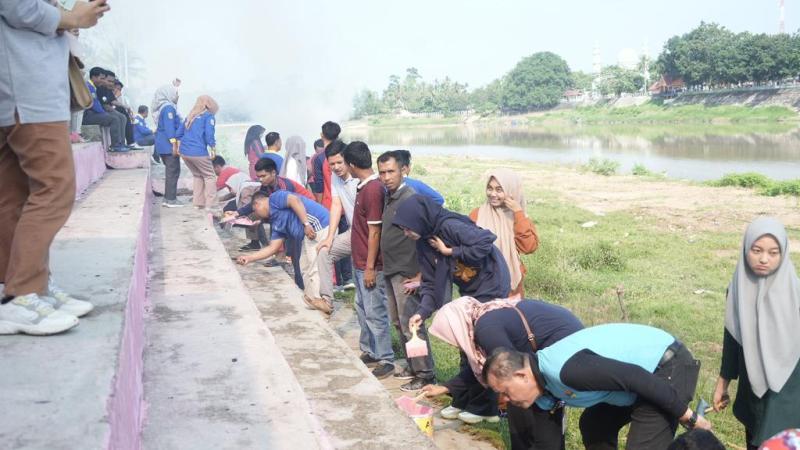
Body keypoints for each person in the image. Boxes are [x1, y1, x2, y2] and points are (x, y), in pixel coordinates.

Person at [0, 0, 109, 336]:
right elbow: (19, 7)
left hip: (17, 90)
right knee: (55, 189)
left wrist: (67, 20)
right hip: (29, 92)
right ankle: (24, 292)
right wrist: (72, 17)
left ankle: (16, 288)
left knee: (13, 195)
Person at [483, 323, 708, 450]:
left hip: (665, 367)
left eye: (504, 391)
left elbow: (636, 377)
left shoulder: (566, 371)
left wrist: (690, 418)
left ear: (522, 375)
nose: (505, 400)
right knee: (594, 424)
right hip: (633, 385)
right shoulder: (542, 393)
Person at [423, 296, 583, 444]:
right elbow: (487, 368)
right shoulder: (485, 316)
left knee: (523, 399)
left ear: (456, 327)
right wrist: (444, 388)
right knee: (523, 399)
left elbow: (507, 372)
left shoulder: (487, 330)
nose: (453, 343)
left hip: (566, 344)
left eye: (448, 335)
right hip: (559, 338)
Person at [713, 217, 800, 449]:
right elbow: (732, 336)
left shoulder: (796, 292)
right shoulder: (737, 288)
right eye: (757, 250)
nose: (764, 259)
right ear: (745, 249)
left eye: (773, 253)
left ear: (783, 254)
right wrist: (723, 383)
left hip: (790, 388)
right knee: (754, 438)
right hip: (753, 385)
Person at [376, 150, 443, 392]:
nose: (385, 177)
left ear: (404, 170)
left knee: (411, 324)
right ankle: (413, 366)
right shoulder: (389, 196)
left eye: (391, 171)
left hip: (408, 272)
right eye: (382, 172)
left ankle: (425, 373)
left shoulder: (411, 199)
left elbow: (428, 236)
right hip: (392, 269)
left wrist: (421, 274)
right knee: (398, 322)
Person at [343, 141, 395, 379]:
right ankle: (371, 350)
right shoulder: (363, 187)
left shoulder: (373, 190)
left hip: (370, 264)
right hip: (360, 261)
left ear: (352, 164)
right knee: (362, 308)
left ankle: (386, 358)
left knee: (376, 311)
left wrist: (371, 267)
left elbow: (375, 231)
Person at [236, 191, 330, 309]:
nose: (258, 216)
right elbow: (272, 247)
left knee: (313, 266)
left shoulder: (275, 198)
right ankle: (312, 299)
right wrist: (249, 258)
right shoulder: (276, 221)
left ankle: (321, 301)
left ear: (257, 204)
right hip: (307, 236)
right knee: (303, 266)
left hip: (319, 225)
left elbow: (294, 200)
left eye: (255, 212)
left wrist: (306, 224)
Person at [469, 169, 539, 297]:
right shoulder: (477, 214)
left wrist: (518, 212)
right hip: (481, 282)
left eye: (499, 190)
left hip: (510, 284)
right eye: (489, 188)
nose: (492, 194)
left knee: (509, 316)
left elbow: (528, 247)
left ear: (511, 191)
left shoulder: (519, 217)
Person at [230, 157, 314, 251]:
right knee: (258, 215)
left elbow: (285, 212)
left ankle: (281, 253)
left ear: (273, 173)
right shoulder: (265, 186)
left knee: (277, 221)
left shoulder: (283, 187)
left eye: (263, 176)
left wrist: (262, 219)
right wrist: (237, 213)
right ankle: (270, 248)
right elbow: (256, 203)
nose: (260, 179)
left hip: (305, 209)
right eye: (259, 177)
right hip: (292, 209)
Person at [316, 141, 357, 311]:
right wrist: (329, 237)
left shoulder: (358, 179)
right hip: (352, 232)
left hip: (369, 232)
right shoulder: (334, 177)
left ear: (347, 160)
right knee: (324, 252)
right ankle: (327, 300)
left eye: (339, 162)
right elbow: (336, 205)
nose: (336, 167)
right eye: (332, 164)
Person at [177, 95, 219, 210]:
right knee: (210, 176)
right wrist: (213, 148)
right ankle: (211, 204)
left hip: (185, 153)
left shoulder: (190, 116)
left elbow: (178, 134)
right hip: (198, 152)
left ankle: (198, 203)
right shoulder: (208, 116)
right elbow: (209, 135)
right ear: (209, 104)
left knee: (197, 175)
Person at [82, 66, 127, 151]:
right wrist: (104, 113)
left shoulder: (93, 87)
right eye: (101, 78)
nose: (103, 81)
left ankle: (121, 144)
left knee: (120, 117)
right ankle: (115, 146)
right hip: (87, 116)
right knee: (114, 119)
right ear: (94, 77)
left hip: (92, 114)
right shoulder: (89, 87)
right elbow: (95, 105)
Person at [152, 84, 182, 207]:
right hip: (168, 145)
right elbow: (170, 129)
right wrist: (174, 145)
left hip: (163, 144)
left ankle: (168, 198)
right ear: (168, 94)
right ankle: (171, 199)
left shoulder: (164, 107)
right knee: (173, 171)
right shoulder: (169, 108)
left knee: (172, 171)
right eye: (175, 93)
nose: (177, 96)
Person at [311, 121, 340, 206]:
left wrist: (319, 206)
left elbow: (319, 185)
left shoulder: (319, 158)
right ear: (337, 136)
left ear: (322, 135)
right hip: (347, 203)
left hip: (329, 205)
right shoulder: (346, 151)